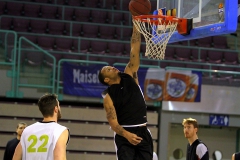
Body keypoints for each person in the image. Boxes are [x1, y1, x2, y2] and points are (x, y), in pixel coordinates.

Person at [98, 22, 153, 160]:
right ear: (106, 80)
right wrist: (127, 135)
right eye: (108, 69)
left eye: (111, 66)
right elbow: (114, 124)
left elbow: (134, 48)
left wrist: (136, 26)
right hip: (124, 135)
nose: (112, 67)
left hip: (143, 132)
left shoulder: (129, 74)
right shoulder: (109, 97)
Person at [13, 93, 70, 160]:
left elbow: (16, 157)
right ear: (56, 109)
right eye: (59, 105)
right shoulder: (61, 131)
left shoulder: (27, 130)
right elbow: (59, 158)